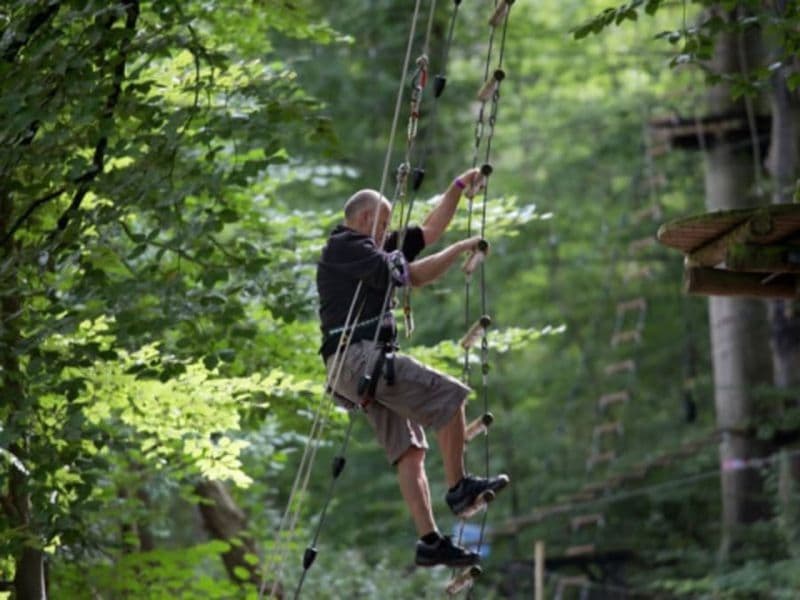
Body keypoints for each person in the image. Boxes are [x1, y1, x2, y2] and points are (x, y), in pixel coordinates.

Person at [316, 167, 509, 568]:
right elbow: (416, 276)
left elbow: (429, 231)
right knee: (450, 396)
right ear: (365, 218)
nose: (387, 231)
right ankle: (459, 487)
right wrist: (460, 250)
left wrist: (458, 186)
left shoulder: (372, 248)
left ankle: (430, 542)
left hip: (353, 367)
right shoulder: (347, 247)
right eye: (383, 223)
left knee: (409, 451)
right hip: (358, 359)